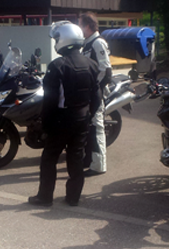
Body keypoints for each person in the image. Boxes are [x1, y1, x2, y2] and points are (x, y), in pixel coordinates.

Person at [28, 22, 101, 207]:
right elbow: (97, 96)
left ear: (64, 40)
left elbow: (50, 101)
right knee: (76, 158)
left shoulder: (57, 65)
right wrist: (89, 115)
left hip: (61, 120)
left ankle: (44, 197)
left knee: (49, 158)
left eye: (56, 39)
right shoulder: (91, 64)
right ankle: (73, 198)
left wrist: (45, 125)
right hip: (82, 118)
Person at [78, 12, 112, 176]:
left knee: (97, 128)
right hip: (88, 93)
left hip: (95, 94)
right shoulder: (87, 44)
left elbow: (106, 72)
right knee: (89, 127)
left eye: (80, 25)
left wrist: (95, 91)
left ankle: (99, 166)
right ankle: (89, 159)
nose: (79, 29)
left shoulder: (98, 43)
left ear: (87, 26)